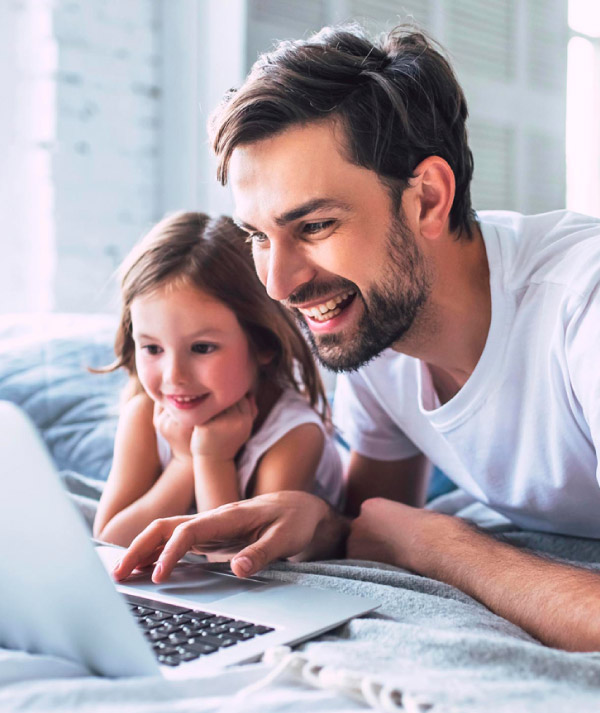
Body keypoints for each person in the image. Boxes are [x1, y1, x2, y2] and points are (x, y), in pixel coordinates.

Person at [113, 25, 600, 651]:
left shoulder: (581, 306)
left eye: (314, 225)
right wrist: (319, 522)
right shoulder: (372, 324)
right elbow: (374, 524)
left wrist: (442, 545)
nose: (279, 285)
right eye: (258, 236)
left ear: (427, 198)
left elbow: (406, 534)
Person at [93, 212, 343, 547]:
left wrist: (212, 460)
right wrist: (183, 464)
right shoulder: (144, 414)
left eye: (202, 348)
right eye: (152, 348)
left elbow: (239, 564)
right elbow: (109, 540)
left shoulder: (294, 436)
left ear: (263, 343)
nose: (174, 376)